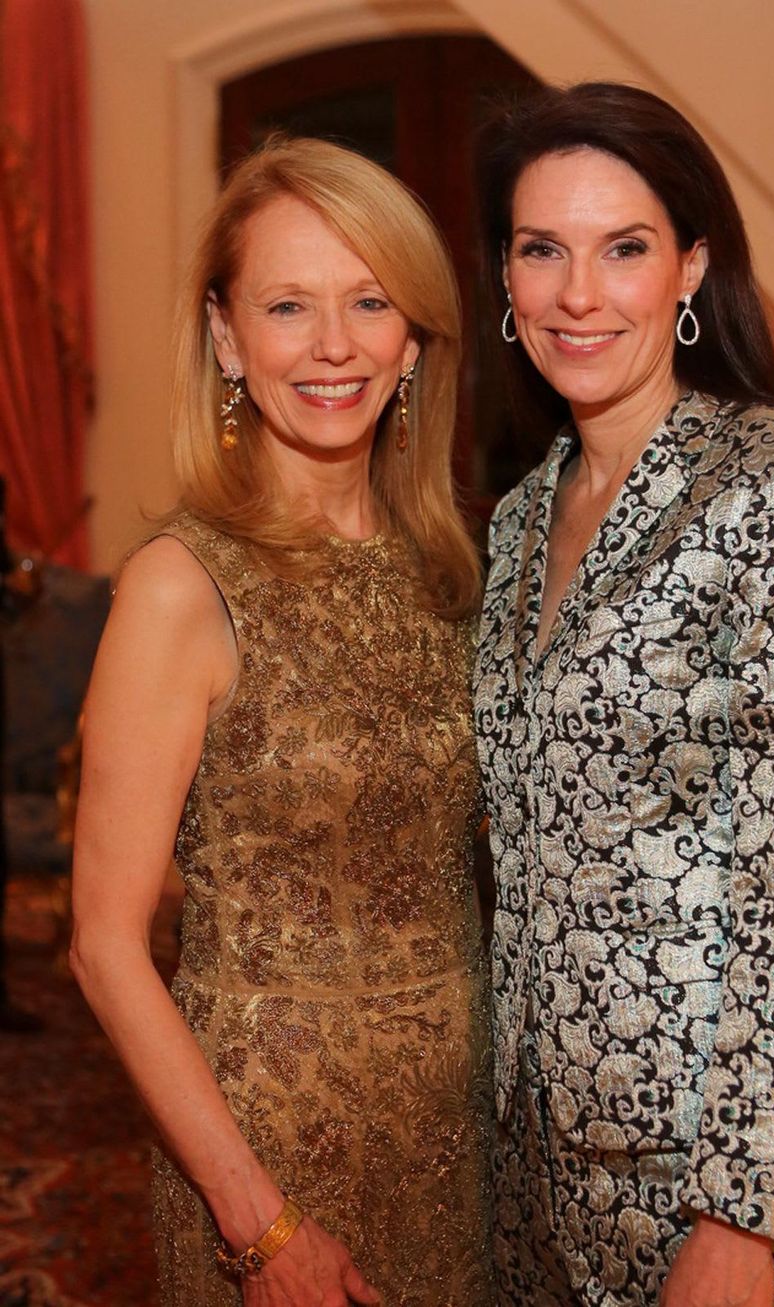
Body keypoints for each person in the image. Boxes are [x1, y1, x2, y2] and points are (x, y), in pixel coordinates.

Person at [473, 82, 774, 1306]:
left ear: (689, 269)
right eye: (539, 248)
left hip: (711, 1189)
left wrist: (741, 1224)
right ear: (504, 275)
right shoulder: (515, 518)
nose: (575, 293)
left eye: (623, 248)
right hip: (536, 1176)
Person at [70, 137, 494, 1307]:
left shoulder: (450, 564)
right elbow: (104, 944)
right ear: (224, 335)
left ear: (411, 336)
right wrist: (259, 1223)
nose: (332, 345)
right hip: (265, 1161)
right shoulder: (180, 584)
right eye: (287, 304)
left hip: (458, 1146)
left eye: (370, 302)